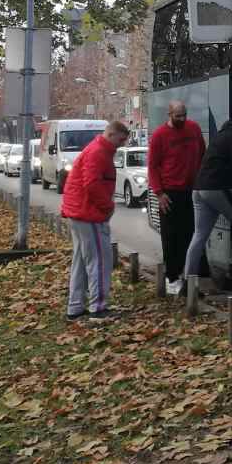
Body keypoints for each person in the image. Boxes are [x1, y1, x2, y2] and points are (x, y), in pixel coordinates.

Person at [59, 119, 131, 320]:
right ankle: (98, 308)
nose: (122, 144)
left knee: (81, 261)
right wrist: (107, 207)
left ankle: (75, 306)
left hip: (79, 212)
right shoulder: (99, 153)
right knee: (99, 260)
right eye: (121, 139)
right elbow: (92, 185)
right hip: (88, 214)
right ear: (111, 135)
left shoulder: (96, 150)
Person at [182, 116, 232, 288]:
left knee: (199, 235)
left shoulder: (222, 134)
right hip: (217, 187)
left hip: (198, 189)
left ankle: (188, 281)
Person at [148, 101, 205, 296]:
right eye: (178, 116)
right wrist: (159, 193)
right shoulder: (159, 136)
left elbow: (203, 154)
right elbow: (153, 166)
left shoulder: (194, 129)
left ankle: (189, 279)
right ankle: (172, 278)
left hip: (192, 190)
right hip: (170, 193)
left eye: (184, 115)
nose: (182, 119)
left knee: (191, 235)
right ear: (169, 113)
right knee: (171, 237)